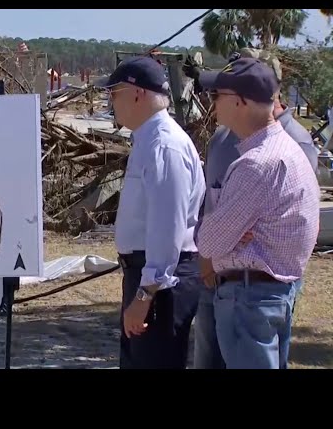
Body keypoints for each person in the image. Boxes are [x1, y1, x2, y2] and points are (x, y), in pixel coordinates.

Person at [193, 49, 319, 370]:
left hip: (249, 299)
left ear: (241, 102)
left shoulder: (256, 164)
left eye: (218, 94)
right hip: (268, 296)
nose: (212, 101)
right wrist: (233, 233)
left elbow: (208, 242)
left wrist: (227, 233)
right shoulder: (285, 149)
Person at [100, 56, 205, 369]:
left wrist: (144, 297)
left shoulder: (164, 146)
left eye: (113, 93)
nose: (110, 102)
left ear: (137, 93)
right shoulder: (149, 140)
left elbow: (166, 229)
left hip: (161, 282)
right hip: (148, 275)